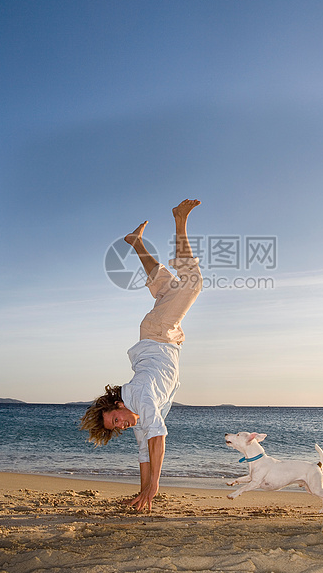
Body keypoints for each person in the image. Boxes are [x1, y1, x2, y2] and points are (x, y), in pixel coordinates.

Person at [80, 199, 202, 511]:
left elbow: (158, 442)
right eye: (116, 427)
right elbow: (145, 456)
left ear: (117, 405)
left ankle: (180, 219)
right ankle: (135, 242)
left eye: (115, 419)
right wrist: (143, 492)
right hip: (161, 336)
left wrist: (155, 487)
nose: (121, 425)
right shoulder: (137, 416)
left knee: (192, 283)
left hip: (159, 332)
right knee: (165, 285)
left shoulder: (140, 397)